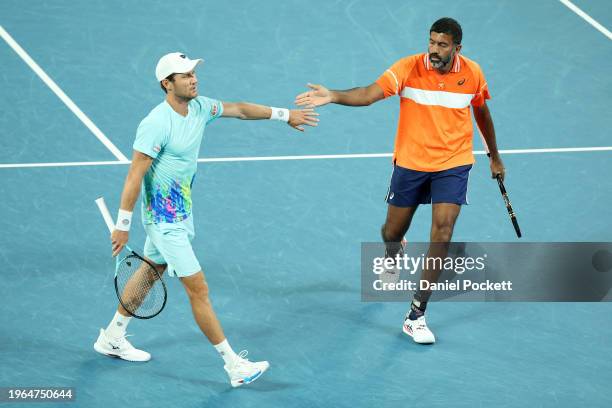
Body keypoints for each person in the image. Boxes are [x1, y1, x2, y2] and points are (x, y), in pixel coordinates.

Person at [94, 52, 319, 387]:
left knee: (150, 272)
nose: (193, 78)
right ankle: (233, 365)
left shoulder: (200, 108)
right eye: (184, 75)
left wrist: (285, 115)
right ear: (166, 84)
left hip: (180, 213)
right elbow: (133, 176)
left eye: (193, 73)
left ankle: (112, 336)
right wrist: (122, 225)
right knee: (198, 288)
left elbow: (240, 109)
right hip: (163, 220)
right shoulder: (156, 123)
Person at [295, 18, 504, 345]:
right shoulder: (408, 68)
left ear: (457, 48)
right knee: (392, 231)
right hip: (411, 162)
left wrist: (494, 154)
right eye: (432, 42)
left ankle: (416, 314)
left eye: (442, 45)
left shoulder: (473, 73)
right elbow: (367, 94)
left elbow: (481, 111)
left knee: (443, 230)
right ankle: (394, 253)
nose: (435, 50)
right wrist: (333, 95)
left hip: (453, 162)